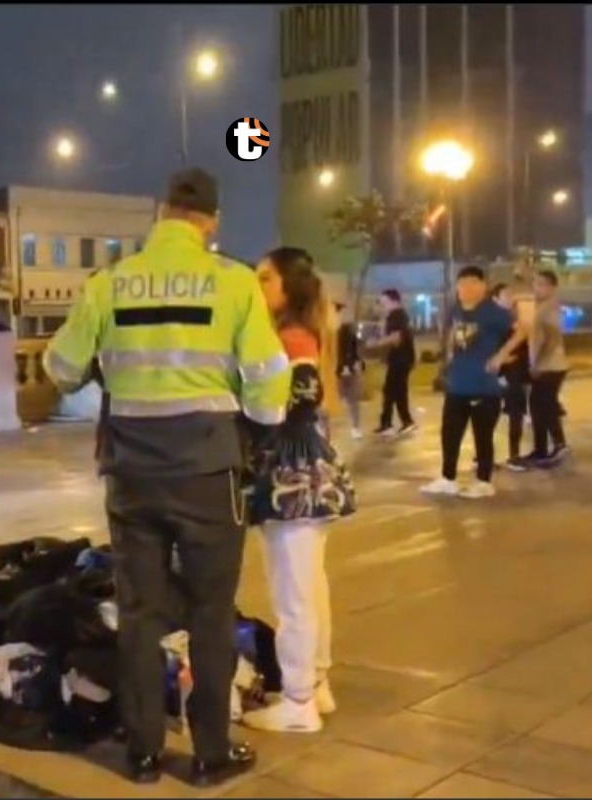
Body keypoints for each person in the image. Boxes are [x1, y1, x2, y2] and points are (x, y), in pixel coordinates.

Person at [44, 168, 290, 787]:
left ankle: (144, 751)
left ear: (160, 214)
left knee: (139, 611)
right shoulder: (234, 281)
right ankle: (209, 753)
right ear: (211, 220)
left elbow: (62, 369)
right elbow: (267, 376)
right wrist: (257, 421)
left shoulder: (109, 282)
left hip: (131, 473)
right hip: (208, 471)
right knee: (209, 613)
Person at [240, 248, 356, 734]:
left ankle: (298, 701)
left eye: (266, 278)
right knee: (310, 587)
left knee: (293, 594)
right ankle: (316, 685)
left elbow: (301, 394)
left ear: (289, 287)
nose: (256, 284)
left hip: (291, 478)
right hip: (308, 475)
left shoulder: (289, 336)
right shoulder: (304, 332)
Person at [421, 266, 526, 499]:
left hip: (484, 387)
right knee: (450, 434)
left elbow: (521, 331)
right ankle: (448, 479)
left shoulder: (493, 312)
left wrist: (500, 356)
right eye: (461, 284)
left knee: (482, 436)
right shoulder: (456, 309)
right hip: (457, 385)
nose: (465, 288)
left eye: (471, 283)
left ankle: (483, 481)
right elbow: (453, 334)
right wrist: (448, 357)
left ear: (482, 285)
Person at [526, 269, 569, 466]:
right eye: (536, 283)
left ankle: (557, 445)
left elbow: (550, 339)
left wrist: (536, 363)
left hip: (550, 366)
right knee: (540, 406)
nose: (537, 288)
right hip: (549, 364)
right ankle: (542, 449)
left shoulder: (550, 307)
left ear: (552, 287)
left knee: (544, 406)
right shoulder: (544, 306)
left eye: (542, 284)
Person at [491, 283, 532, 471]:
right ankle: (510, 457)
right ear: (495, 299)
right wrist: (501, 361)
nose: (511, 298)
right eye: (506, 295)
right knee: (494, 414)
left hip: (518, 373)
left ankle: (512, 455)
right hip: (505, 375)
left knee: (516, 413)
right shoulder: (494, 322)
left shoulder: (512, 318)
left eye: (511, 294)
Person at [374, 289, 416, 436]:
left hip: (401, 359)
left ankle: (395, 423)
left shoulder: (397, 315)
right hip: (400, 359)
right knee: (395, 391)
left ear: (394, 301)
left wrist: (376, 343)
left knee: (393, 391)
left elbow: (396, 338)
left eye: (384, 301)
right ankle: (397, 422)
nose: (382, 305)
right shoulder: (396, 316)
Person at [335, 301, 365, 439]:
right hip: (336, 369)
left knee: (353, 399)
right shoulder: (329, 332)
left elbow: (356, 350)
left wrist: (358, 363)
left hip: (349, 368)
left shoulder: (349, 332)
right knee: (330, 400)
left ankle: (355, 427)